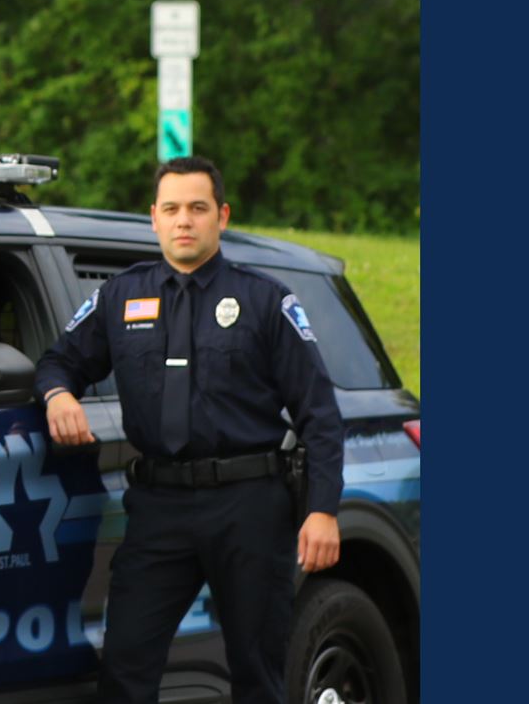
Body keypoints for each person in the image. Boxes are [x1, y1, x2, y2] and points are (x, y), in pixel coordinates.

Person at [36, 156, 345, 704]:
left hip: (249, 506)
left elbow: (318, 412)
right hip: (159, 509)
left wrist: (322, 510)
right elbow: (59, 360)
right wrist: (58, 394)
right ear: (153, 218)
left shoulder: (265, 300)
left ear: (221, 216)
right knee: (126, 666)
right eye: (172, 209)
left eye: (198, 208)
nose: (185, 221)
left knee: (257, 673)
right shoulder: (120, 297)